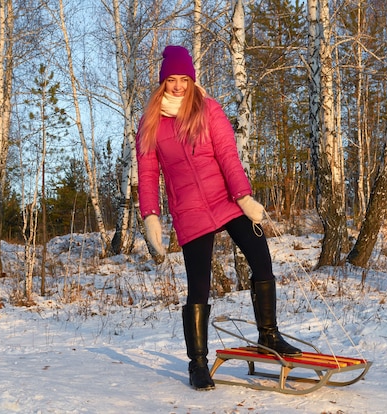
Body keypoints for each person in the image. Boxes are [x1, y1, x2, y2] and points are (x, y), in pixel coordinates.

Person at [136, 45, 301, 391]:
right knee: (199, 285)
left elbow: (228, 154)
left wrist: (244, 196)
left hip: (226, 199)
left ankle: (268, 335)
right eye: (172, 80)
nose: (179, 86)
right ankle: (197, 363)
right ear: (163, 81)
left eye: (184, 79)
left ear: (192, 80)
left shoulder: (208, 109)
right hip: (191, 210)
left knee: (261, 259)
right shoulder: (150, 122)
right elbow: (148, 174)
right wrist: (151, 217)